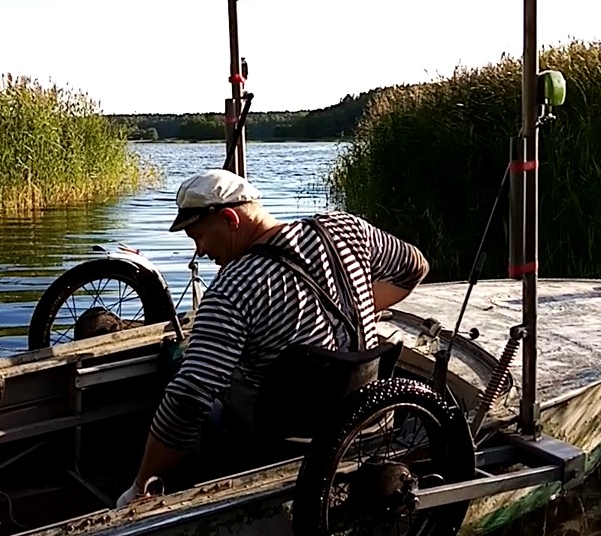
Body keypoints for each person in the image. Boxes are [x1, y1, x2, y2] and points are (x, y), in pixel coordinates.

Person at [115, 168, 429, 508]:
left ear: (230, 218)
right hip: (368, 424)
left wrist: (140, 484)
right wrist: (360, 303)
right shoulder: (345, 228)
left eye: (199, 237)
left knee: (180, 387)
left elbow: (188, 399)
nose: (200, 251)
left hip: (285, 443)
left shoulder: (231, 290)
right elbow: (415, 266)